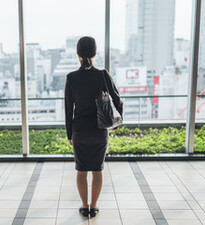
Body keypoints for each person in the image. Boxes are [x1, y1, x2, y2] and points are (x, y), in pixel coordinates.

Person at [64, 36, 123, 217]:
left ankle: (84, 206)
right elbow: (117, 99)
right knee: (97, 170)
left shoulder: (71, 78)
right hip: (99, 131)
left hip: (80, 132)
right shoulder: (102, 75)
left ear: (77, 54)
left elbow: (68, 108)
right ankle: (94, 206)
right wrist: (116, 123)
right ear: (95, 53)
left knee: (81, 170)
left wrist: (69, 134)